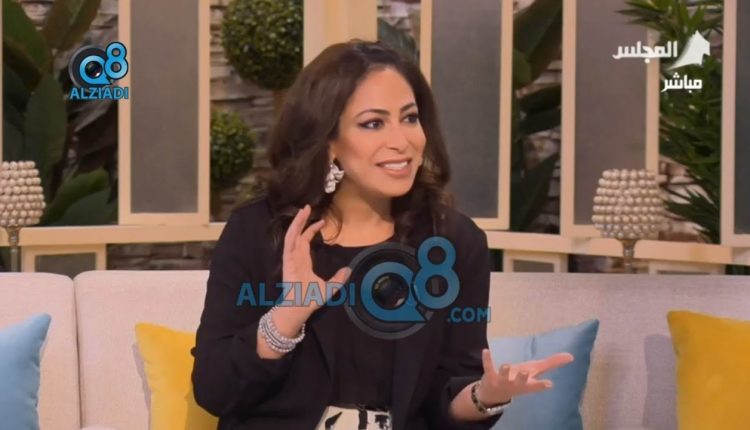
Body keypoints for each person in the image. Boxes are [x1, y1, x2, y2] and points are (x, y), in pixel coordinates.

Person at [191, 40, 574, 430]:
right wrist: (287, 315)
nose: (402, 141)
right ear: (329, 141)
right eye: (373, 123)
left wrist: (486, 396)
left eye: (409, 118)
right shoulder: (259, 231)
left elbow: (448, 394)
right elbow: (213, 390)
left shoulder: (453, 243)